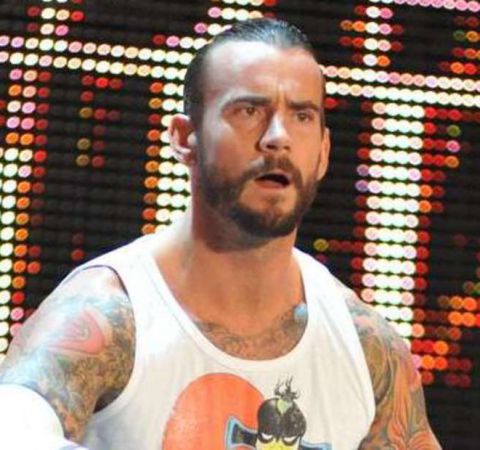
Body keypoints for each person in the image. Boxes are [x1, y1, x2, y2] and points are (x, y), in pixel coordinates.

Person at [0, 18, 440, 450]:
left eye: (302, 116)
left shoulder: (364, 347)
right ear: (185, 138)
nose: (278, 138)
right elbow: (14, 430)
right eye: (249, 111)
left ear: (323, 152)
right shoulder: (107, 315)